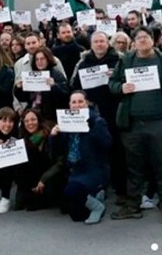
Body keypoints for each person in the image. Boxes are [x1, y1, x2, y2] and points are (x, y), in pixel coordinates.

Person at [109, 26, 162, 224]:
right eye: (139, 37)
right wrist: (120, 87)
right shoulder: (126, 60)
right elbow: (112, 83)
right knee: (134, 167)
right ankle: (133, 205)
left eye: (146, 37)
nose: (142, 40)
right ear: (134, 42)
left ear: (153, 40)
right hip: (132, 124)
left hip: (159, 123)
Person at [70, 31, 125, 198]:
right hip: (91, 113)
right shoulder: (83, 62)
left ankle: (120, 185)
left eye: (102, 41)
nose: (99, 44)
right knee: (95, 150)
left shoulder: (119, 60)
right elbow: (75, 86)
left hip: (114, 110)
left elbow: (127, 83)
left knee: (116, 148)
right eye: (96, 42)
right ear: (91, 44)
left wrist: (115, 76)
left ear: (107, 43)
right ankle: (99, 185)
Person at [51, 91, 112, 224]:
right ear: (69, 105)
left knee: (71, 191)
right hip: (74, 169)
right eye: (74, 102)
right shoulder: (66, 121)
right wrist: (54, 136)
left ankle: (98, 206)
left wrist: (90, 126)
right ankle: (96, 196)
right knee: (76, 216)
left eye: (80, 102)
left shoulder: (97, 121)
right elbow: (57, 150)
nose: (77, 105)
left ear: (87, 103)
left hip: (93, 169)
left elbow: (106, 144)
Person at [13, 108, 65, 211]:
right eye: (26, 121)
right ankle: (28, 192)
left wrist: (44, 179)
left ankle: (45, 197)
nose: (30, 123)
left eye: (33, 119)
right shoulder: (25, 138)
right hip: (36, 173)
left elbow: (61, 162)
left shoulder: (51, 134)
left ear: (39, 120)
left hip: (52, 173)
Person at [14, 47, 69, 127]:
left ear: (48, 59)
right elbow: (24, 98)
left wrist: (54, 86)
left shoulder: (57, 75)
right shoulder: (31, 75)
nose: (39, 62)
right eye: (37, 59)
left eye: (42, 59)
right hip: (33, 113)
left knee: (38, 137)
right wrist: (19, 88)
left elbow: (66, 95)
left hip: (50, 118)